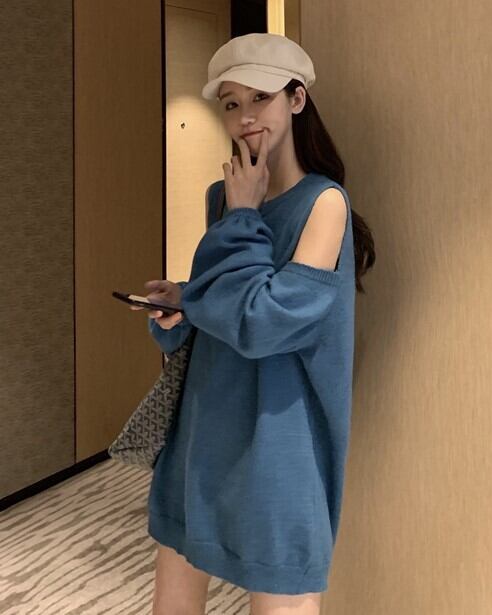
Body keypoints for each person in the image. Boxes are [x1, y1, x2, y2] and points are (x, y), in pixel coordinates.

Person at [130, 32, 375, 615]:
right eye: (231, 103)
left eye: (260, 97)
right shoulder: (223, 195)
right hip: (204, 425)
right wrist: (185, 302)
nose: (245, 117)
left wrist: (243, 216)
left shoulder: (324, 203)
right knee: (173, 593)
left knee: (282, 592)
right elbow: (229, 299)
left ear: (297, 99)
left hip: (279, 438)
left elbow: (264, 323)